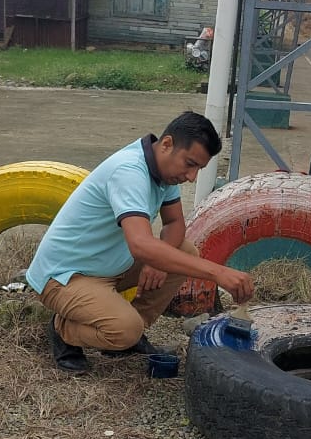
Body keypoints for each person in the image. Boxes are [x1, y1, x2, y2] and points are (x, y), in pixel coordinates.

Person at [26, 111, 254, 374]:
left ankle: (129, 335)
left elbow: (174, 224)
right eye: (189, 164)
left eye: (198, 169)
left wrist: (157, 262)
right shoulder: (129, 171)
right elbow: (140, 245)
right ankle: (63, 329)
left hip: (109, 265)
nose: (191, 176)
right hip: (64, 276)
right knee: (125, 329)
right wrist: (218, 273)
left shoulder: (164, 172)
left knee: (184, 251)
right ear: (167, 144)